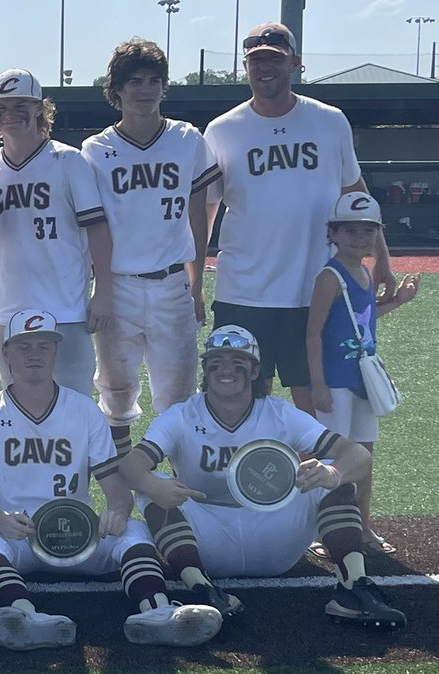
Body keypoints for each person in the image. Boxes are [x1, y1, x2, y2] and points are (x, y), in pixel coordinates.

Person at [0, 309, 221, 650]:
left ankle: (157, 612)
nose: (34, 354)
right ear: (6, 352)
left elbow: (116, 489)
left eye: (43, 346)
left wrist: (116, 510)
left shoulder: (83, 409)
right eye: (24, 347)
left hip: (77, 534)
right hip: (19, 536)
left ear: (56, 351)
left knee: (135, 531)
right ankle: (22, 614)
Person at [118, 325, 407, 630]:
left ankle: (353, 588)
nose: (225, 369)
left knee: (333, 475)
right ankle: (201, 590)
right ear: (206, 369)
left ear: (255, 370)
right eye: (217, 361)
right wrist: (154, 485)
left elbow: (359, 456)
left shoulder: (280, 413)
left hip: (275, 533)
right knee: (151, 486)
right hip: (206, 537)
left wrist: (332, 473)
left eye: (236, 361)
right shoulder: (181, 415)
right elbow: (130, 466)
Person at [204, 22, 394, 415]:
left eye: (274, 58)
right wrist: (192, 282)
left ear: (295, 63)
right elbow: (207, 209)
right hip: (243, 290)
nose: (264, 68)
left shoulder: (329, 120)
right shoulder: (222, 130)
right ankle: (242, 477)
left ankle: (313, 477)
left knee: (314, 405)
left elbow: (355, 196)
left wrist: (382, 261)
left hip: (312, 288)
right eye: (256, 61)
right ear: (246, 66)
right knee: (239, 402)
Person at [81, 39, 217, 456]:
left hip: (171, 282)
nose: (145, 89)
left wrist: (195, 285)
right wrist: (99, 289)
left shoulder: (186, 138)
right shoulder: (95, 150)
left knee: (178, 393)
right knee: (115, 390)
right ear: (116, 89)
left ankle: (178, 491)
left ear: (164, 86)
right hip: (117, 284)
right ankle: (121, 484)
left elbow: (200, 211)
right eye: (135, 80)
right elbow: (93, 229)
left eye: (154, 80)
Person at [0, 68, 113, 397]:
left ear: (39, 110)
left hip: (64, 308)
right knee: (20, 407)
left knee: (75, 405)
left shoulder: (68, 161)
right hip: (8, 310)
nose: (10, 114)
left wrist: (103, 293)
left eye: (21, 106)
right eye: (1, 107)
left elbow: (98, 231)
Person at [306, 193, 419, 557]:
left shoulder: (364, 273)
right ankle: (323, 531)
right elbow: (313, 332)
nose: (360, 237)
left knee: (363, 457)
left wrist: (398, 302)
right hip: (336, 383)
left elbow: (362, 323)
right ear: (333, 233)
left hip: (361, 382)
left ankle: (363, 526)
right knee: (331, 462)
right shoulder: (330, 276)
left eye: (368, 231)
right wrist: (318, 383)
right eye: (351, 230)